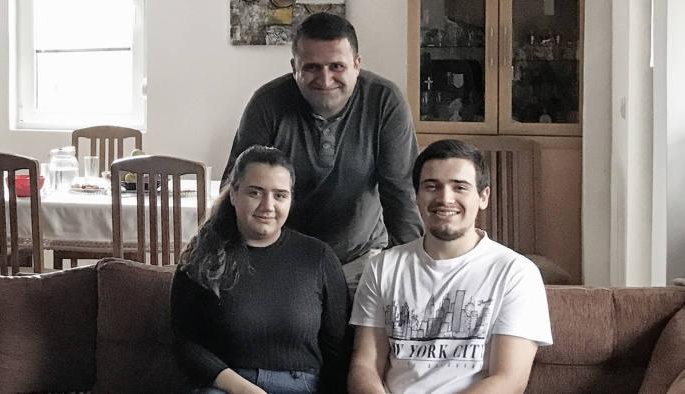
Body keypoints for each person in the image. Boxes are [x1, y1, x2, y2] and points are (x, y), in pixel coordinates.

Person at [221, 12, 423, 285]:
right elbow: (236, 189)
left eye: (337, 67)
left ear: (356, 65)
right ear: (295, 67)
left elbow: (401, 195)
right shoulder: (267, 104)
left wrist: (413, 273)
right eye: (312, 68)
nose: (325, 80)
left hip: (361, 258)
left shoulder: (385, 102)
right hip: (284, 259)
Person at [348, 139, 553, 393]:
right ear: (417, 196)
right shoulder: (382, 267)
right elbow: (365, 364)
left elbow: (508, 380)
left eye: (460, 187)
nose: (445, 198)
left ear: (483, 196)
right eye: (432, 186)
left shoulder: (516, 273)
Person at [172, 145, 350, 394]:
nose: (268, 206)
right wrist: (242, 389)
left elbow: (338, 347)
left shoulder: (318, 257)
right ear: (234, 194)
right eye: (255, 193)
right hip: (227, 386)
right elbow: (184, 342)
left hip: (301, 386)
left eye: (280, 195)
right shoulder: (202, 255)